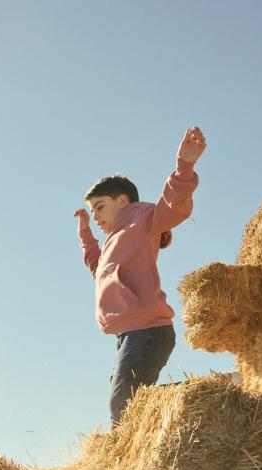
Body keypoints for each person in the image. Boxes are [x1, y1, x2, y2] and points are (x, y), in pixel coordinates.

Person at [74, 127, 206, 425]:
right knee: (125, 402)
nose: (95, 215)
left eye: (99, 207)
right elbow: (98, 269)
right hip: (127, 334)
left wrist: (184, 166)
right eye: (91, 210)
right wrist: (85, 232)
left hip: (148, 330)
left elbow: (172, 208)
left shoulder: (141, 218)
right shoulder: (113, 240)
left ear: (123, 201)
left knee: (122, 405)